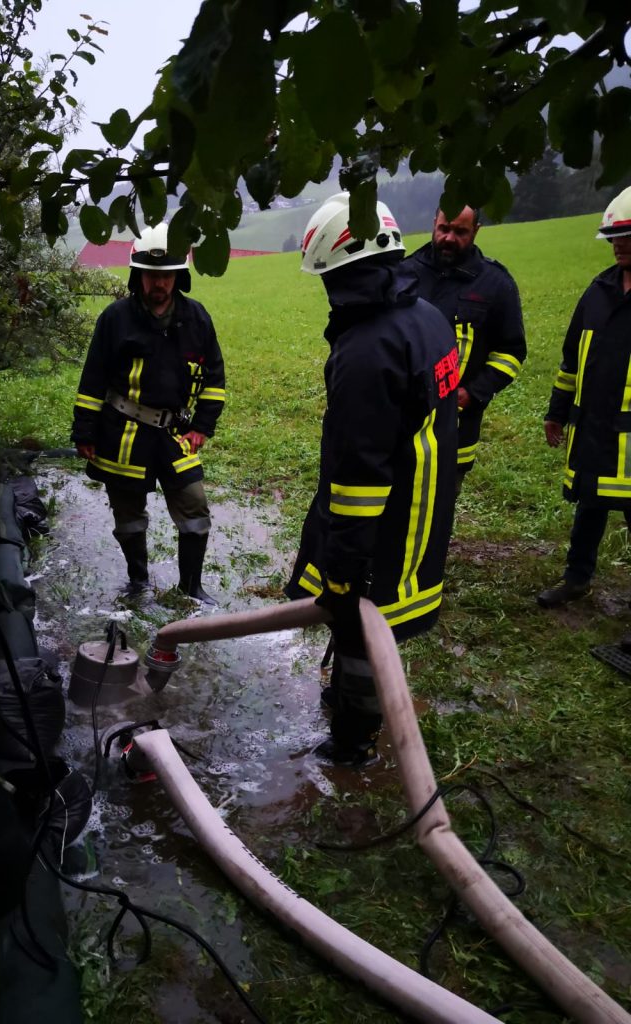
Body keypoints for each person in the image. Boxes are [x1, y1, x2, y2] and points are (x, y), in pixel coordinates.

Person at [285, 193, 459, 765]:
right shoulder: (428, 318)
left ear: (341, 272)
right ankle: (348, 694)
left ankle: (352, 742)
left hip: (385, 520)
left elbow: (360, 477)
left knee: (361, 619)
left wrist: (342, 569)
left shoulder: (367, 350)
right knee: (374, 616)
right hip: (423, 503)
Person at [72, 223, 226, 604]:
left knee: (194, 507)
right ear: (138, 275)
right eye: (152, 276)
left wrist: (203, 427)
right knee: (129, 515)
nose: (159, 285)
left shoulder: (197, 319)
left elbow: (215, 378)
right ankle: (138, 583)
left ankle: (191, 588)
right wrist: (85, 432)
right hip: (120, 434)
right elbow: (93, 379)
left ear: (179, 277)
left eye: (167, 277)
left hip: (175, 435)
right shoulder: (115, 319)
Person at [537, 185, 631, 611]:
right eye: (615, 237)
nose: (619, 245)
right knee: (589, 507)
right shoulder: (598, 292)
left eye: (628, 237)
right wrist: (556, 412)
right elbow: (571, 360)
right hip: (595, 429)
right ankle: (577, 578)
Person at [403, 205, 526, 493]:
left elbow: (511, 352)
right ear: (434, 223)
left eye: (460, 232)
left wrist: (474, 393)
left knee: (437, 519)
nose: (449, 238)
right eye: (444, 229)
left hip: (455, 433)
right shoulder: (404, 274)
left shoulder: (496, 284)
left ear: (476, 231)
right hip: (401, 427)